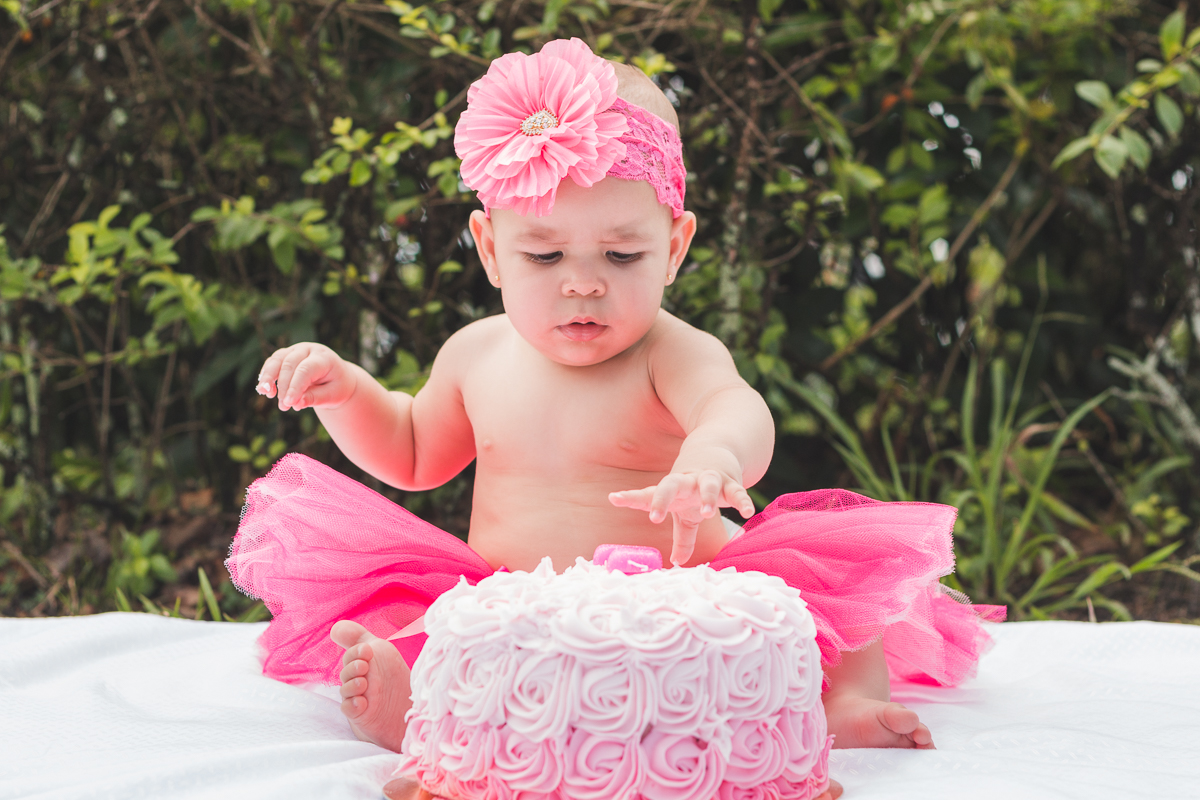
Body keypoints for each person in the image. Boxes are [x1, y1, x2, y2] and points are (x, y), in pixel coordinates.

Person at [237, 38, 1001, 800]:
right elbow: (410, 451)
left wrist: (711, 459)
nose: (582, 286)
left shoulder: (669, 352)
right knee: (440, 627)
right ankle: (421, 708)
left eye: (621, 256)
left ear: (674, 247)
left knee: (823, 600)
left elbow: (735, 408)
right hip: (510, 601)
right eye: (544, 258)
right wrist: (346, 393)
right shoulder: (475, 353)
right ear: (490, 250)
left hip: (684, 597)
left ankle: (848, 702)